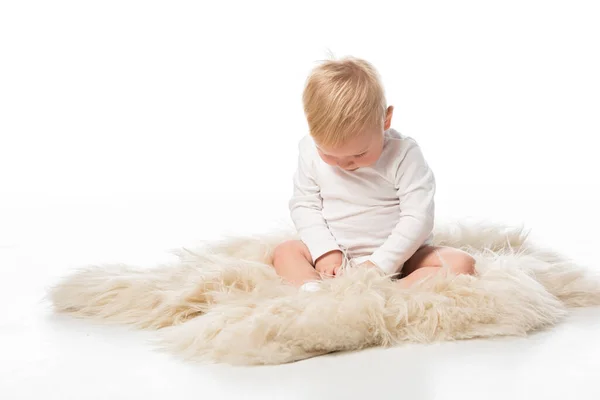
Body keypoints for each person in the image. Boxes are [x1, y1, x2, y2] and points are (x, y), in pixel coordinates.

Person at [272, 56, 475, 291]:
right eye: (329, 154)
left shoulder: (404, 154)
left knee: (462, 264)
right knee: (285, 252)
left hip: (401, 257)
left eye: (359, 154)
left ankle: (392, 294)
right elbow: (304, 206)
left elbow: (418, 218)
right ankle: (314, 292)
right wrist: (325, 252)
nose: (345, 164)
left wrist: (379, 265)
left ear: (385, 120)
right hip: (336, 256)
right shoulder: (308, 150)